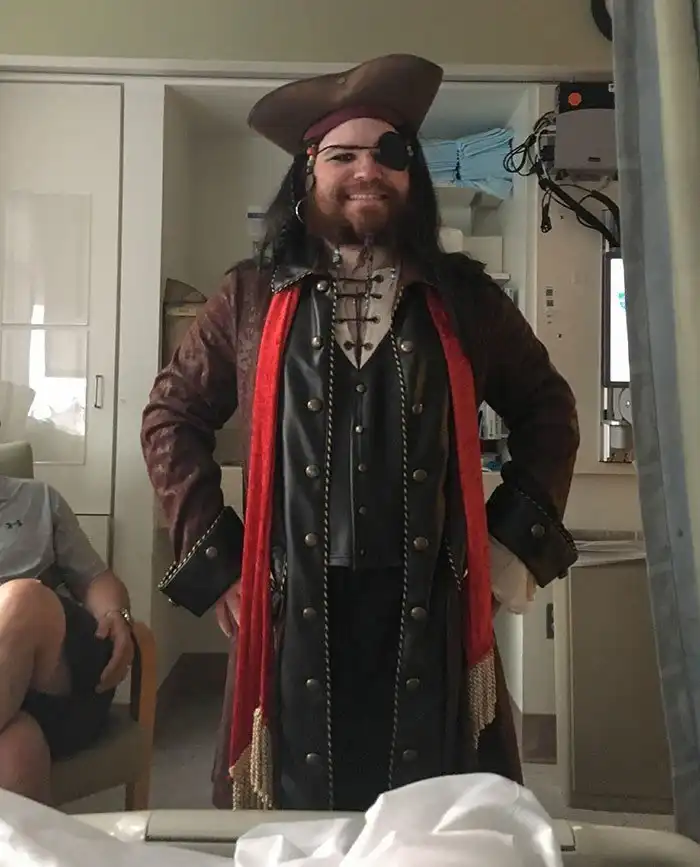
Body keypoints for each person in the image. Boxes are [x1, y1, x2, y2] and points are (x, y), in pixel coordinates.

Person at [141, 53, 580, 813]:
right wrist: (220, 558)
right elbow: (170, 418)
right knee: (298, 827)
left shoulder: (466, 297)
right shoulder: (248, 296)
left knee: (429, 827)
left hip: (430, 609)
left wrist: (506, 548)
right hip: (294, 608)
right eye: (342, 155)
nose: (367, 171)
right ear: (308, 173)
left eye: (388, 152)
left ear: (412, 173)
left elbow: (548, 410)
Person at [0, 475, 134, 803]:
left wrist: (115, 613)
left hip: (57, 677)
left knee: (23, 599)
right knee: (18, 748)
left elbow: (95, 578)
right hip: (16, 708)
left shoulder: (39, 499)